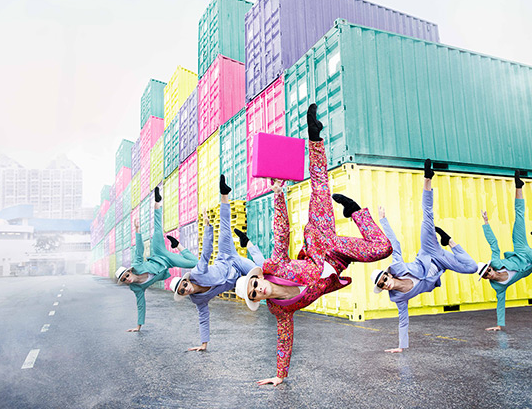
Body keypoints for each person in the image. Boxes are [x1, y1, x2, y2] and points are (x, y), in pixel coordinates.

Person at [234, 103, 392, 387]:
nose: (259, 289)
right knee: (383, 249)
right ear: (258, 300)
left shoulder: (275, 266)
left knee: (322, 187)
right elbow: (284, 337)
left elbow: (281, 232)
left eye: (254, 284)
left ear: (257, 277)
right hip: (337, 261)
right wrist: (279, 376)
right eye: (255, 294)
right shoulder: (280, 309)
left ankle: (315, 137)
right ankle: (355, 211)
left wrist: (278, 194)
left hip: (321, 241)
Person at [372, 159, 478, 352]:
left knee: (427, 217)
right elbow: (403, 321)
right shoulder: (397, 298)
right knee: (471, 268)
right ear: (383, 288)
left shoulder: (397, 267)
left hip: (429, 251)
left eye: (384, 278)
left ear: (389, 274)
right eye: (381, 284)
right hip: (441, 266)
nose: (385, 283)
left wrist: (383, 220)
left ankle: (427, 178)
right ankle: (450, 241)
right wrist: (400, 347)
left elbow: (394, 244)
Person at [169, 175, 265, 351]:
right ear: (183, 295)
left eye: (183, 285)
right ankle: (247, 242)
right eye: (182, 291)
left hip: (228, 258)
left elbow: (206, 254)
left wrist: (207, 226)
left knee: (261, 269)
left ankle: (224, 194)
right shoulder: (198, 300)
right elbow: (203, 317)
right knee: (261, 275)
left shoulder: (197, 273)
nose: (185, 289)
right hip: (236, 279)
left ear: (186, 280)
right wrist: (203, 344)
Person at [477, 170, 532, 331]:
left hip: (523, 251)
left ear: (490, 266)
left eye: (488, 270)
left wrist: (486, 223)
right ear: (485, 278)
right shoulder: (498, 287)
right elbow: (500, 303)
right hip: (529, 262)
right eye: (486, 275)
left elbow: (494, 244)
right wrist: (499, 325)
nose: (489, 274)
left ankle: (519, 186)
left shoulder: (496, 262)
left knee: (519, 217)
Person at [114, 186, 198, 332]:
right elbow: (141, 304)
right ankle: (177, 245)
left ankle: (157, 203)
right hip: (168, 263)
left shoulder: (136, 265)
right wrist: (138, 326)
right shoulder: (136, 287)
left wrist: (137, 230)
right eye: (124, 280)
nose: (127, 279)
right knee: (194, 264)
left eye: (126, 275)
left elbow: (139, 249)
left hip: (160, 254)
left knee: (158, 232)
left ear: (130, 271)